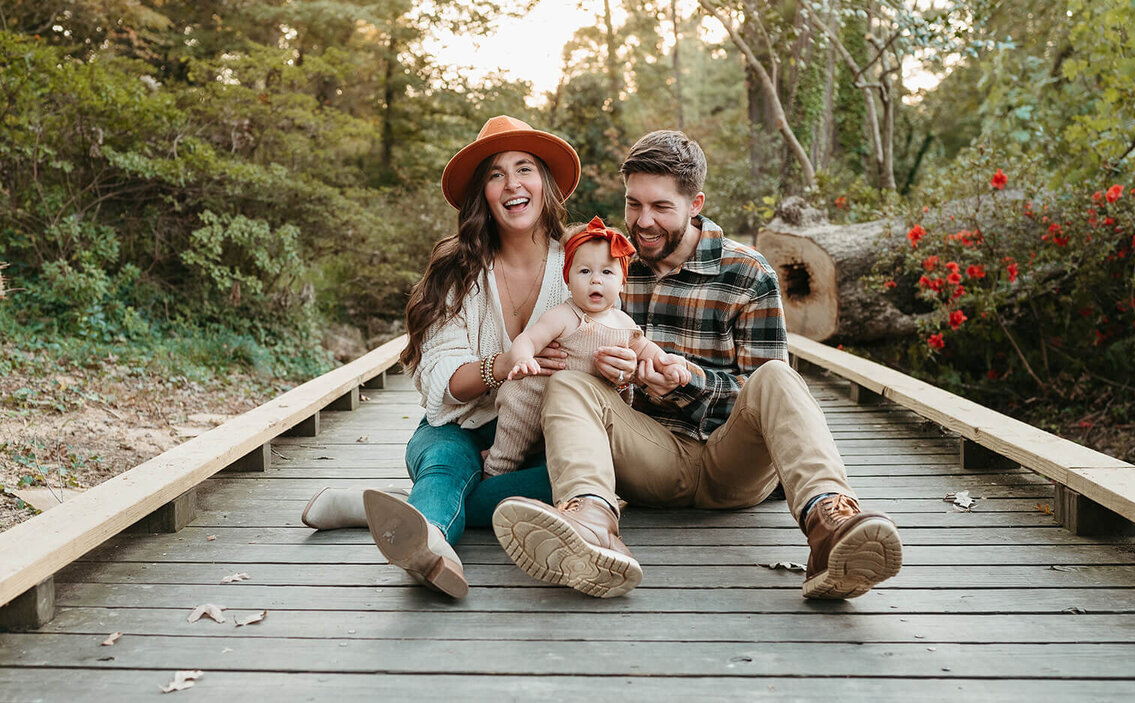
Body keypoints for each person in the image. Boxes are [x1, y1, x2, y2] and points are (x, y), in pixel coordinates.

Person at [492, 129, 904, 600]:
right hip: (652, 458)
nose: (643, 222)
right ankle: (591, 528)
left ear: (695, 203)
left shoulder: (748, 273)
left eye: (661, 207)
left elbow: (762, 397)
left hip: (735, 464)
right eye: (633, 205)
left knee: (777, 377)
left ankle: (830, 525)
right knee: (568, 384)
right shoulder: (608, 268)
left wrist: (688, 382)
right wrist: (611, 375)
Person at [300, 114, 590, 600]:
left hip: (542, 436)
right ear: (483, 194)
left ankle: (392, 508)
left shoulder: (581, 263)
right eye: (496, 174)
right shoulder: (457, 272)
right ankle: (430, 547)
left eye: (524, 169)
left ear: (546, 182)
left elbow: (608, 340)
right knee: (443, 463)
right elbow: (439, 379)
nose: (512, 185)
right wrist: (504, 364)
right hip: (459, 425)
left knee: (568, 483)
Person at [485, 216, 690, 478]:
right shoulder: (564, 316)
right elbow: (528, 339)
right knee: (510, 449)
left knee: (560, 454)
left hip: (573, 410)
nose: (596, 281)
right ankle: (492, 473)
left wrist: (669, 365)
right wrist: (523, 358)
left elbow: (648, 350)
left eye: (607, 272)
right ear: (567, 280)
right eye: (585, 271)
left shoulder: (623, 322)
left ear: (622, 282)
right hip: (529, 400)